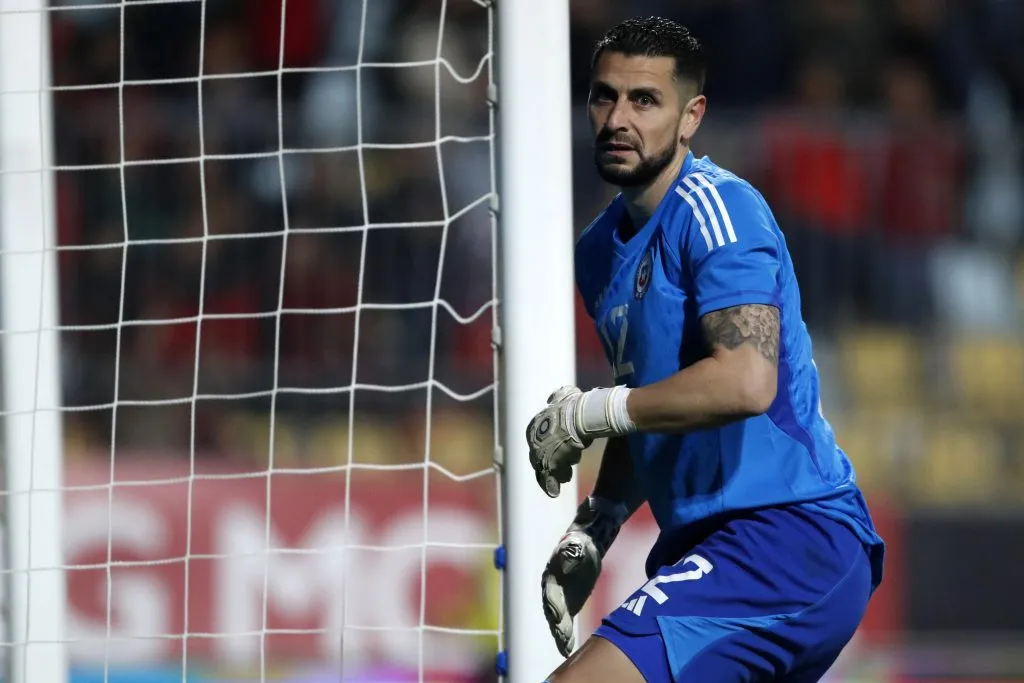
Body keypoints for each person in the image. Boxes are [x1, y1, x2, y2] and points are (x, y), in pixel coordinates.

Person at [524, 16, 885, 683]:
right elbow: (651, 398)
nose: (617, 119)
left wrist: (588, 413)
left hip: (788, 535)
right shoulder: (597, 251)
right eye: (604, 96)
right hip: (706, 545)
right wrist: (596, 524)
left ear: (692, 117)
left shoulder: (720, 210)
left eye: (645, 100)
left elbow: (746, 381)